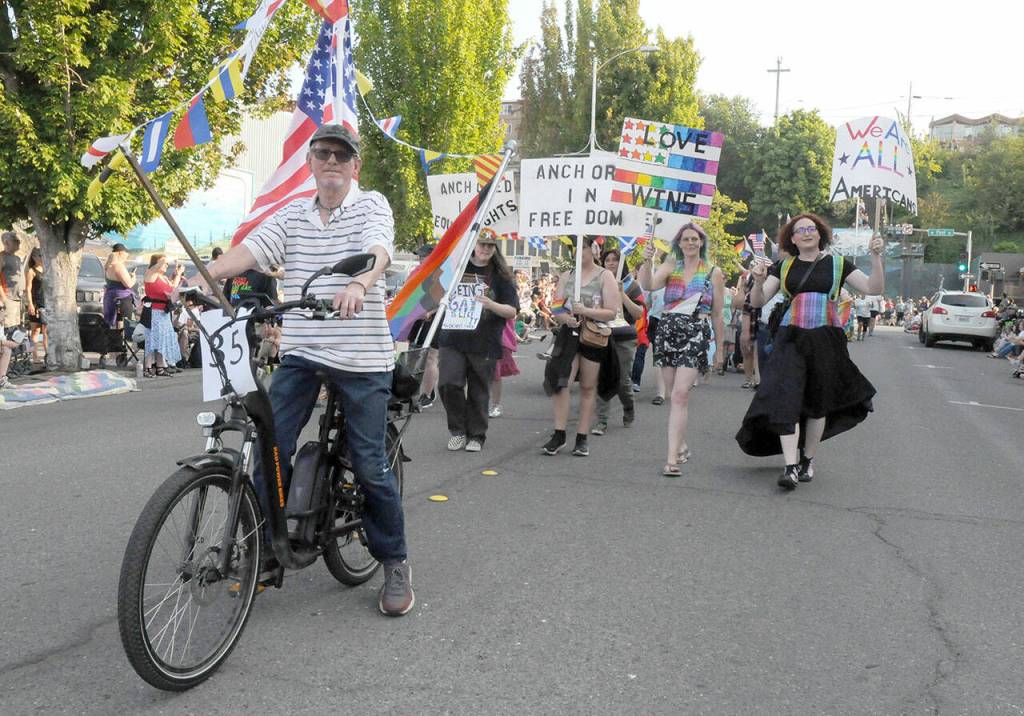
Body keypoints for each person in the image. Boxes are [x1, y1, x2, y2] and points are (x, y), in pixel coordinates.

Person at [199, 123, 413, 616]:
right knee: (267, 442)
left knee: (368, 463)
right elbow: (252, 249)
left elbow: (378, 249)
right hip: (303, 350)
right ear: (312, 162)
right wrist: (205, 275)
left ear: (354, 165)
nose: (331, 161)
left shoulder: (371, 204)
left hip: (361, 356)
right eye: (323, 153)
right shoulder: (294, 213)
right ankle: (264, 550)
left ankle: (395, 560)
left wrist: (359, 284)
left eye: (341, 154)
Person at [736, 214, 883, 490]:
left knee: (817, 403)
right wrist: (757, 281)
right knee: (786, 398)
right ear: (791, 238)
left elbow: (874, 288)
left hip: (826, 339)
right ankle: (790, 466)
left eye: (811, 229)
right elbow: (758, 301)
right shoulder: (784, 266)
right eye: (799, 230)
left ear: (820, 234)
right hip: (791, 338)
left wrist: (875, 257)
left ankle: (807, 460)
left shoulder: (838, 263)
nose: (806, 233)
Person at [638, 222, 725, 477]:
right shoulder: (669, 265)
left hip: (697, 331)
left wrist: (720, 350)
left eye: (694, 239)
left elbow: (718, 315)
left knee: (680, 394)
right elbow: (649, 285)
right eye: (685, 239)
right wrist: (646, 261)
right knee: (672, 395)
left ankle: (671, 459)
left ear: (701, 243)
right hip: (667, 330)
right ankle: (681, 444)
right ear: (679, 243)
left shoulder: (713, 272)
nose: (690, 243)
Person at [437, 228, 519, 451]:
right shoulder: (456, 268)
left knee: (479, 389)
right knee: (448, 383)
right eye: (482, 244)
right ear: (473, 244)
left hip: (484, 341)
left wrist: (490, 304)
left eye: (490, 245)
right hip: (452, 337)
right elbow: (436, 292)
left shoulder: (502, 277)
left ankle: (477, 435)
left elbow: (511, 311)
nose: (486, 249)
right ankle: (458, 429)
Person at [542, 236, 621, 457]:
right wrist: (565, 318)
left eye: (584, 247)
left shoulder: (604, 276)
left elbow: (611, 311)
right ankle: (559, 433)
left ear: (594, 249)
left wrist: (586, 312)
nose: (580, 252)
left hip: (593, 335)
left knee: (588, 386)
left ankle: (582, 436)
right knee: (562, 381)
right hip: (570, 334)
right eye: (575, 248)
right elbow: (556, 307)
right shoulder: (567, 276)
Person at [593, 247, 643, 435]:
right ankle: (602, 421)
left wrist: (621, 294)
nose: (612, 263)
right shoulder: (598, 282)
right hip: (601, 334)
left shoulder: (631, 286)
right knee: (602, 378)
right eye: (608, 260)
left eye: (615, 260)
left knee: (622, 381)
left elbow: (638, 313)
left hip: (625, 337)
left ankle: (628, 406)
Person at [143, 254, 184, 376]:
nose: (167, 265)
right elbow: (156, 267)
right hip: (153, 310)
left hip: (164, 311)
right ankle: (148, 367)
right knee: (152, 339)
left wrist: (178, 274)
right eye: (164, 263)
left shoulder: (164, 278)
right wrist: (165, 259)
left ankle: (160, 366)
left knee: (162, 339)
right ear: (158, 262)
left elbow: (173, 289)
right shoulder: (151, 274)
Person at [100, 243, 137, 366]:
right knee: (121, 327)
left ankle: (111, 354)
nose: (127, 256)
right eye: (126, 254)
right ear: (121, 253)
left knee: (111, 325)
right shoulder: (119, 266)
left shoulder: (108, 266)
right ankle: (119, 355)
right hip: (121, 298)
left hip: (110, 298)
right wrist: (133, 277)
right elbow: (129, 284)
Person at [23, 248, 46, 360]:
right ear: (34, 258)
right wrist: (30, 304)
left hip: (46, 303)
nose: (42, 258)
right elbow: (28, 289)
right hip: (36, 302)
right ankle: (34, 355)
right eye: (39, 256)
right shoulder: (31, 271)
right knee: (35, 330)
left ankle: (48, 355)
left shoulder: (47, 270)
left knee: (46, 331)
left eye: (42, 255)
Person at [1, 233, 24, 329]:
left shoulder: (17, 258)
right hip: (8, 299)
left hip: (19, 299)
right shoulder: (1, 257)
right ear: (6, 242)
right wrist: (4, 299)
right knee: (8, 331)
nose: (19, 243)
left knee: (17, 332)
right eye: (16, 241)